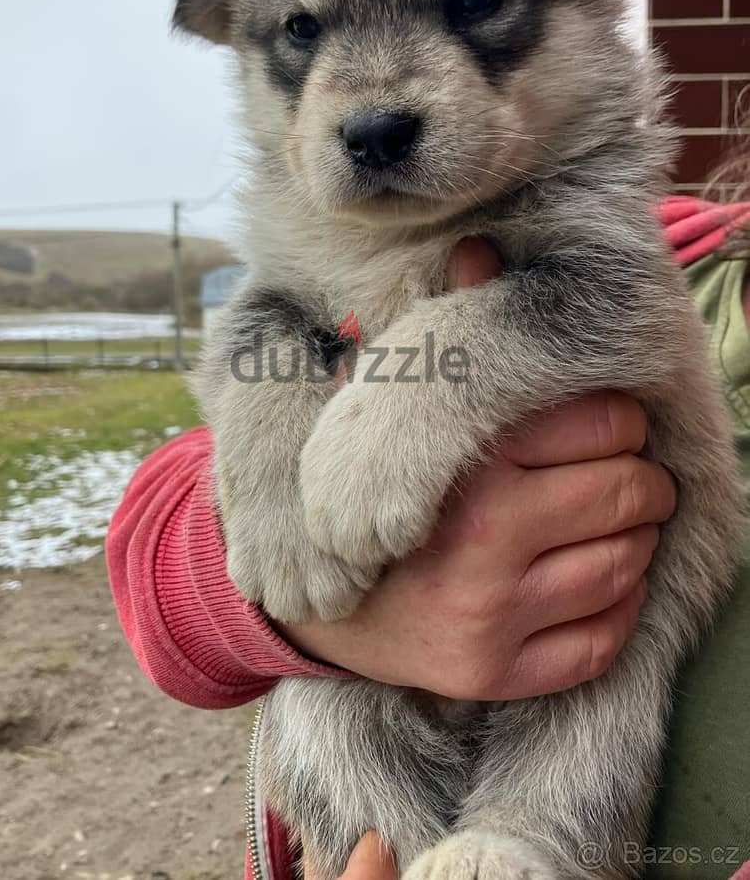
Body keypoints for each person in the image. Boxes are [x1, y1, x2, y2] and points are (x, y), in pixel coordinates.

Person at [107, 194, 750, 880]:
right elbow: (161, 553)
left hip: (572, 771)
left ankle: (525, 841)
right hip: (364, 795)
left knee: (608, 701)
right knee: (327, 731)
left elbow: (590, 304)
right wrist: (270, 560)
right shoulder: (681, 243)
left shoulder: (601, 246)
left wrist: (423, 389)